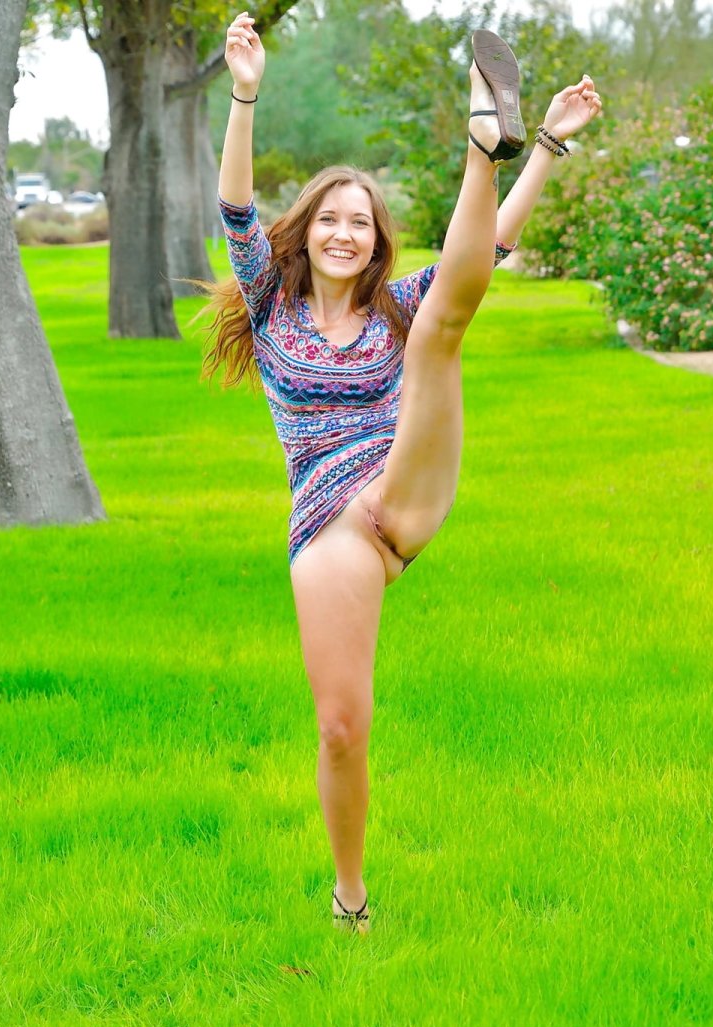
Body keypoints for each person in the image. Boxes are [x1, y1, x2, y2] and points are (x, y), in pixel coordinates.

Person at [205, 11, 602, 933]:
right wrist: (245, 95)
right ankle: (350, 899)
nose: (344, 233)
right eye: (329, 219)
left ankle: (482, 145)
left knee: (439, 332)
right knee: (342, 729)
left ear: (377, 239)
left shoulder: (395, 303)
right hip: (327, 528)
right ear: (306, 233)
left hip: (403, 486)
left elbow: (484, 253)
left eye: (361, 222)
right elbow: (235, 210)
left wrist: (544, 146)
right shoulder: (269, 303)